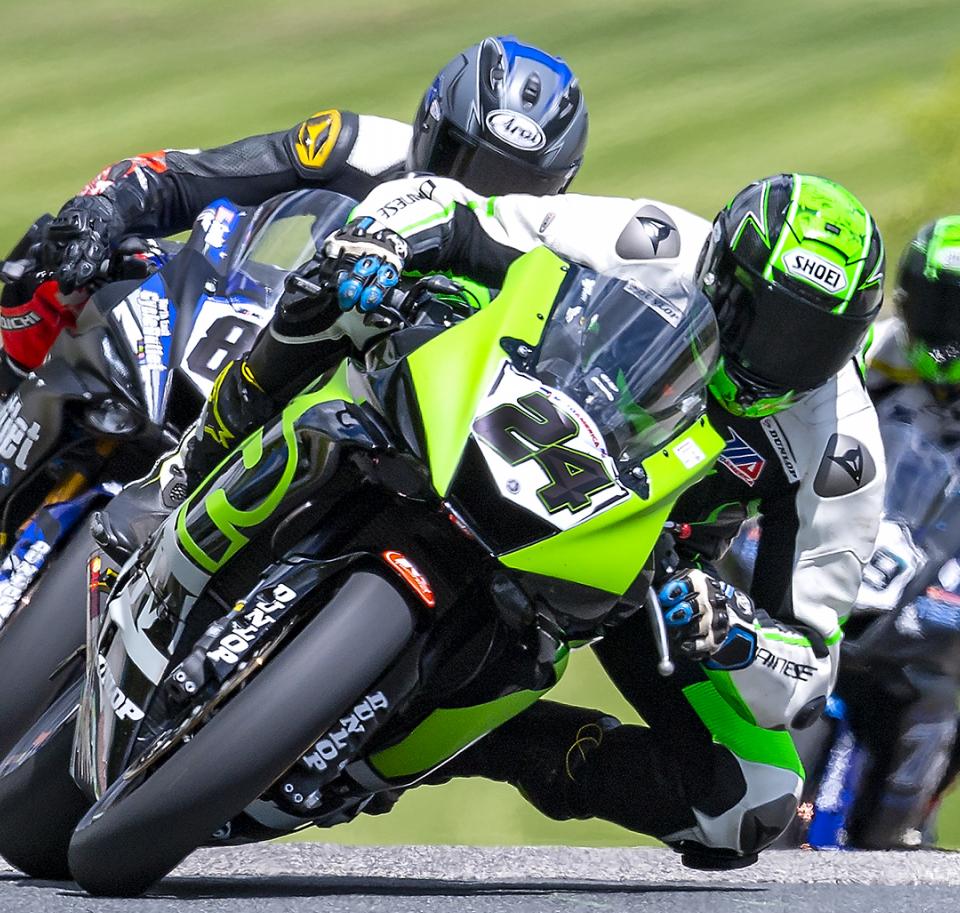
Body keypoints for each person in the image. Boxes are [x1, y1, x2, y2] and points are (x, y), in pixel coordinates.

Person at [116, 171, 886, 867]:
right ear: (720, 268)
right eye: (763, 320)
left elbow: (809, 668)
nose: (776, 358)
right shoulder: (649, 242)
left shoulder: (838, 449)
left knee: (753, 799)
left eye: (813, 343)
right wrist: (383, 242)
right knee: (342, 287)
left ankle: (473, 742)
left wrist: (738, 633)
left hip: (633, 561)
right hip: (507, 416)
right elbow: (454, 210)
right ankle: (198, 459)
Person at [0, 35, 587, 392]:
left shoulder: (548, 261)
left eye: (520, 186)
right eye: (466, 163)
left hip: (352, 400)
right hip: (251, 317)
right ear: (429, 129)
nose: (476, 195)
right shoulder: (356, 147)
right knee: (55, 261)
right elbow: (186, 175)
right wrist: (102, 208)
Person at [822, 214, 960, 848]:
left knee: (940, 694)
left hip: (944, 580)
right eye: (939, 309)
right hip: (867, 557)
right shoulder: (872, 356)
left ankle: (909, 822)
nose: (950, 330)